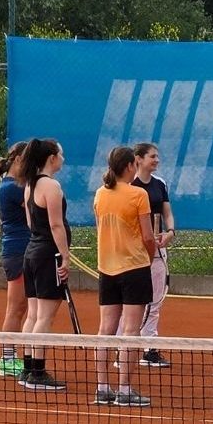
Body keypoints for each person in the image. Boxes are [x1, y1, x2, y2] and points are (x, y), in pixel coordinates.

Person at [93, 145, 156, 407]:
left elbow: (100, 228)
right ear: (130, 166)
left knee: (105, 329)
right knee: (131, 330)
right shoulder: (139, 194)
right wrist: (148, 258)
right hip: (134, 269)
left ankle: (102, 388)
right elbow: (148, 237)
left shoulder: (100, 194)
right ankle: (125, 390)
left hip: (107, 270)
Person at [14, 138, 72, 391]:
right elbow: (56, 225)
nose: (63, 159)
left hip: (32, 253)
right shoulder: (51, 186)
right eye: (61, 154)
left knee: (34, 314)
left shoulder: (29, 185)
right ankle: (37, 373)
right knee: (45, 317)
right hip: (48, 255)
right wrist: (65, 256)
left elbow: (31, 223)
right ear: (51, 158)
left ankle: (28, 369)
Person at [129, 142, 176, 368]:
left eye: (157, 156)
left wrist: (170, 232)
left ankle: (150, 348)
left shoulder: (160, 184)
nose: (156, 160)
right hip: (133, 252)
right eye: (152, 156)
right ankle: (122, 348)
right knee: (130, 301)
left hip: (157, 250)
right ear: (138, 159)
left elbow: (167, 212)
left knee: (155, 300)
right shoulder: (128, 185)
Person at [0, 141, 30, 379]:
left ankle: (15, 357)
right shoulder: (13, 188)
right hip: (18, 253)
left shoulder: (14, 186)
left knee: (22, 307)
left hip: (21, 251)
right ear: (17, 160)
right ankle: (7, 359)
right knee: (16, 308)